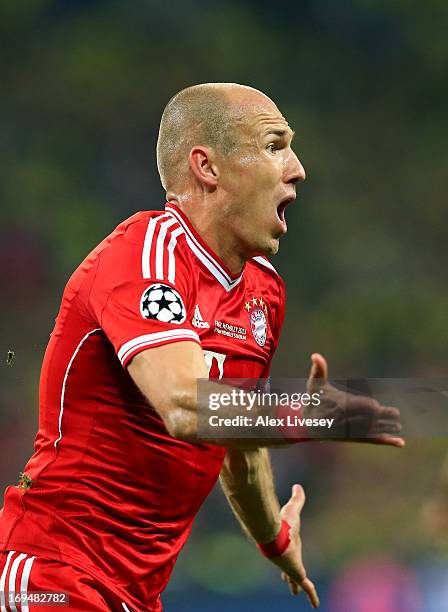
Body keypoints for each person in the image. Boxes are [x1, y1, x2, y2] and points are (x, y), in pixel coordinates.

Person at [0, 83, 403, 611]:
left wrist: (274, 540)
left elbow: (239, 445)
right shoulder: (145, 253)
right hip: (54, 572)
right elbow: (187, 405)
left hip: (135, 595)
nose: (298, 168)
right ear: (207, 167)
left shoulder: (262, 294)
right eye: (274, 144)